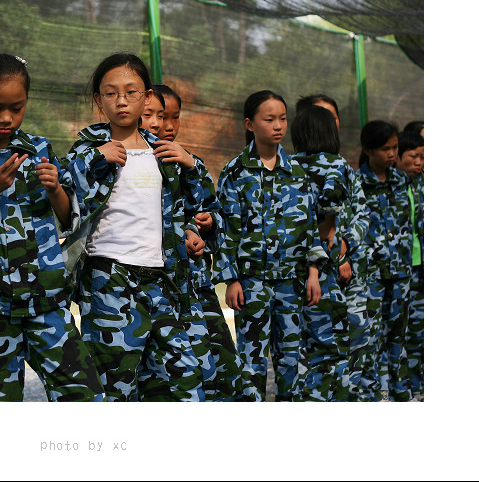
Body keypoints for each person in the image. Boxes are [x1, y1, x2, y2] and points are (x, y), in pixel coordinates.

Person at [0, 53, 103, 402]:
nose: (6, 117)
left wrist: (55, 189)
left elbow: (68, 219)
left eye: (16, 107)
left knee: (84, 394)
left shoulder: (39, 149)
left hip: (46, 300)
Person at [63, 53, 209, 401]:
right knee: (117, 387)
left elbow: (196, 202)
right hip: (109, 280)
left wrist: (193, 165)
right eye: (111, 93)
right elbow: (65, 197)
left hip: (162, 280)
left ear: (147, 98)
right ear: (98, 100)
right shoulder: (87, 149)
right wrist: (98, 157)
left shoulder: (163, 151)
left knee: (184, 381)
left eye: (131, 92)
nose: (121, 101)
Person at [217, 90, 326, 401]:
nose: (278, 125)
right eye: (269, 119)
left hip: (292, 284)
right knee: (251, 363)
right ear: (250, 124)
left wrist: (314, 272)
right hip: (251, 284)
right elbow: (225, 230)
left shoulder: (298, 173)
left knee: (291, 362)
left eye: (282, 118)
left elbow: (309, 227)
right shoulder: (236, 172)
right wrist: (232, 279)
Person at [151, 83, 242, 401]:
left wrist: (205, 226)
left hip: (198, 288)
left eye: (175, 117)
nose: (168, 126)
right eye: (161, 116)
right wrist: (181, 234)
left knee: (223, 370)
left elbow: (213, 216)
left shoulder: (190, 162)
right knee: (169, 380)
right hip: (157, 293)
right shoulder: (134, 164)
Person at [296, 94, 371, 401]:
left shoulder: (287, 166)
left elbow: (359, 214)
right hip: (329, 266)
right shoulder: (338, 166)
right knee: (336, 343)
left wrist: (345, 243)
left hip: (298, 263)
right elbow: (332, 208)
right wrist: (337, 246)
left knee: (303, 344)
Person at [356, 120, 413, 401]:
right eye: (385, 149)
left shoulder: (402, 179)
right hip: (371, 275)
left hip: (401, 271)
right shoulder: (357, 183)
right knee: (372, 335)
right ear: (367, 150)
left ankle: (401, 390)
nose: (392, 154)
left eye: (395, 148)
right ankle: (372, 393)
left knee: (398, 333)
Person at [397, 130, 424, 401]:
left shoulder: (423, 185)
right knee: (403, 330)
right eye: (413, 156)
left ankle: (421, 385)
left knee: (420, 327)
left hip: (422, 267)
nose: (418, 162)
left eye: (423, 157)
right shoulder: (393, 185)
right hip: (400, 269)